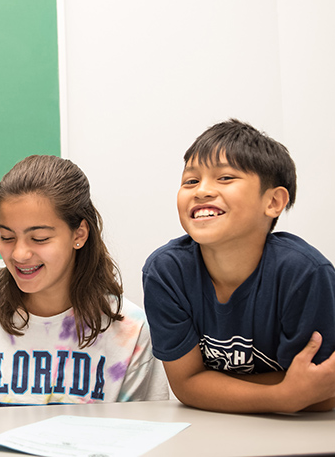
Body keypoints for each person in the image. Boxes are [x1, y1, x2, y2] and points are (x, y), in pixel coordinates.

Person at [0, 155, 167, 408]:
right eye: (7, 237)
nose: (19, 254)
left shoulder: (131, 330)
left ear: (79, 234)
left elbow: (142, 434)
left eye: (39, 238)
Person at [143, 119, 335, 413]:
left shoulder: (303, 272)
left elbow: (322, 389)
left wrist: (218, 387)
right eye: (191, 181)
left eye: (225, 178)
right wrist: (282, 396)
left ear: (273, 202)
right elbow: (187, 384)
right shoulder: (166, 272)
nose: (202, 191)